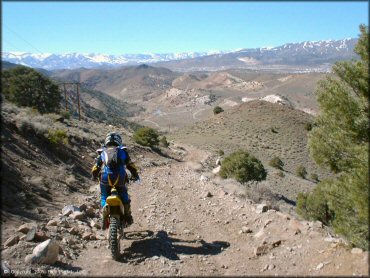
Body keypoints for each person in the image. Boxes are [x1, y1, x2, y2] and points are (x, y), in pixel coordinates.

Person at [91, 132, 140, 229]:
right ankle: (127, 216)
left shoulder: (102, 152)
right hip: (120, 178)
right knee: (124, 195)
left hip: (105, 178)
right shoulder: (122, 151)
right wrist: (135, 175)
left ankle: (104, 216)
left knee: (104, 196)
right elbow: (131, 165)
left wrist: (94, 176)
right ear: (119, 141)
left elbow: (95, 168)